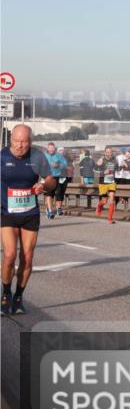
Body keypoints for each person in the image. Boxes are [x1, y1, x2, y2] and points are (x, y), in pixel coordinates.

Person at [1, 125, 57, 315]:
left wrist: (44, 185)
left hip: (30, 213)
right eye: (16, 141)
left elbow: (52, 179)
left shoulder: (37, 157)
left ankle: (18, 296)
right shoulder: (2, 157)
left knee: (28, 256)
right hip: (6, 212)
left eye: (24, 142)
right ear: (11, 140)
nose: (19, 146)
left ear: (30, 141)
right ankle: (6, 292)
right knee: (9, 255)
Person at [43, 142, 68, 219]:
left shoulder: (59, 155)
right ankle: (50, 210)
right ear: (47, 148)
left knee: (58, 193)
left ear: (55, 149)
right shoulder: (44, 156)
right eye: (50, 148)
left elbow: (65, 164)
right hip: (48, 177)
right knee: (49, 194)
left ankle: (56, 208)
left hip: (57, 176)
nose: (51, 150)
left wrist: (58, 165)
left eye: (53, 149)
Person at [95, 147, 119, 224]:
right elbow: (95, 169)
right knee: (104, 201)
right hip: (103, 183)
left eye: (110, 152)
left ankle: (110, 219)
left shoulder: (115, 160)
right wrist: (103, 172)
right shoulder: (101, 160)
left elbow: (117, 169)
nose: (109, 153)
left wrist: (121, 166)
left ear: (112, 152)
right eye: (107, 152)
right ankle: (99, 206)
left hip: (112, 182)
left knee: (111, 199)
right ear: (105, 152)